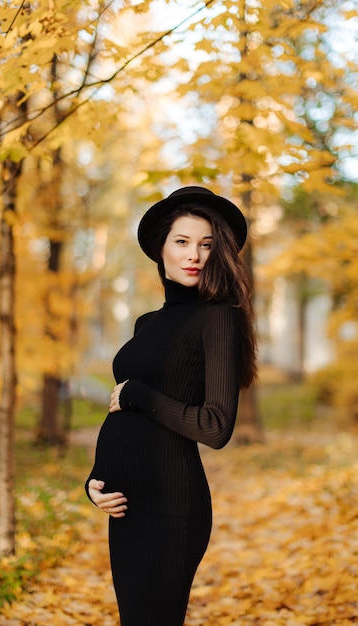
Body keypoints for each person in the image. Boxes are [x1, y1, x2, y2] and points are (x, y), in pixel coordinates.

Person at [85, 186, 257, 626]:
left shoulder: (217, 317)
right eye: (182, 242)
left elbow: (216, 427)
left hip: (171, 505)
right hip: (127, 506)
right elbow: (123, 419)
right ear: (161, 249)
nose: (193, 254)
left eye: (206, 244)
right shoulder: (148, 323)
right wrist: (95, 481)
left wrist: (138, 394)